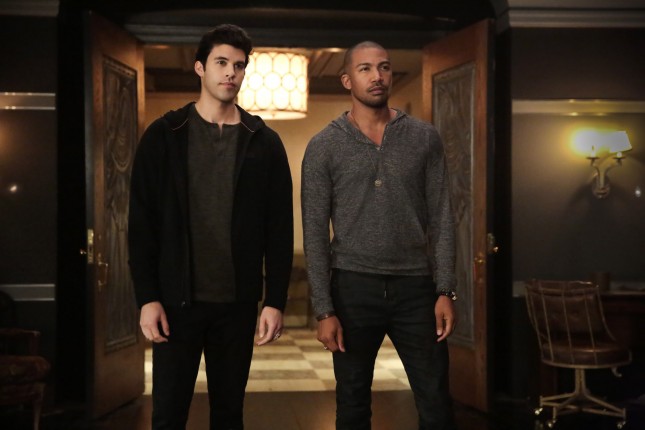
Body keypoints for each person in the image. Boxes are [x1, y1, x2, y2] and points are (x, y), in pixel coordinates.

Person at [128, 24, 293, 430]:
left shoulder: (264, 141)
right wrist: (147, 297)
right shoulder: (165, 135)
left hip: (237, 305)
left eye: (239, 65)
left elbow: (279, 228)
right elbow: (141, 223)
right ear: (200, 68)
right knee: (168, 415)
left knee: (229, 415)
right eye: (221, 62)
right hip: (176, 302)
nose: (231, 73)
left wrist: (275, 300)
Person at [301, 41, 458, 430]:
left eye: (384, 67)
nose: (377, 76)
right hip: (353, 288)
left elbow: (442, 216)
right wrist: (324, 310)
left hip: (416, 288)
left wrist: (445, 289)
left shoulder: (423, 137)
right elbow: (315, 232)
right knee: (352, 403)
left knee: (436, 401)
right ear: (347, 80)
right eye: (366, 69)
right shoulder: (324, 146)